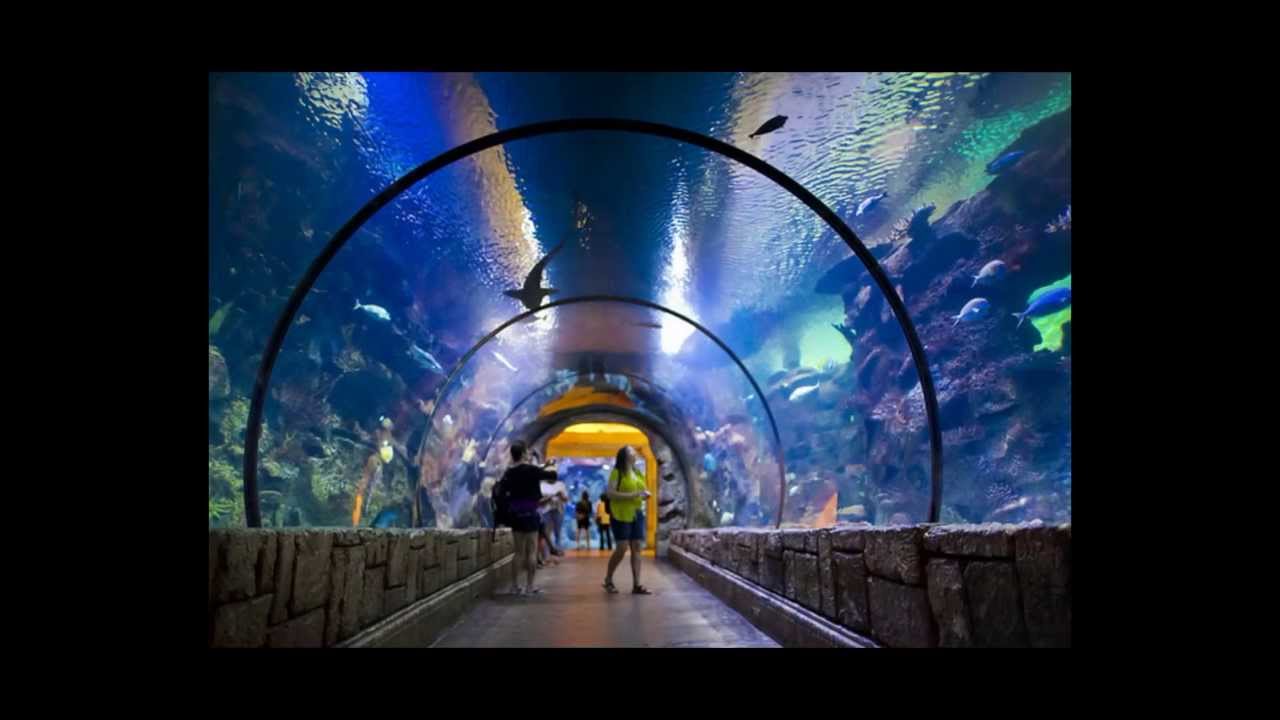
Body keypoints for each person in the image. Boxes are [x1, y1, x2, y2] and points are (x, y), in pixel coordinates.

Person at [497, 440, 558, 596]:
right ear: (524, 453)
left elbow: (501, 491)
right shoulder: (532, 469)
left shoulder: (509, 472)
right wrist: (550, 465)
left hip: (516, 514)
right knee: (532, 551)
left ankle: (514, 586)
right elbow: (552, 476)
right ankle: (530, 586)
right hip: (531, 512)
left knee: (518, 552)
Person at [603, 445, 652, 595]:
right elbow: (610, 493)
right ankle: (608, 579)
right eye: (631, 451)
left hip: (636, 513)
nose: (635, 453)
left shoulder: (637, 472)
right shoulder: (617, 472)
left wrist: (644, 494)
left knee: (637, 547)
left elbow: (640, 490)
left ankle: (637, 584)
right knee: (622, 547)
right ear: (624, 455)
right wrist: (633, 495)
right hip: (620, 514)